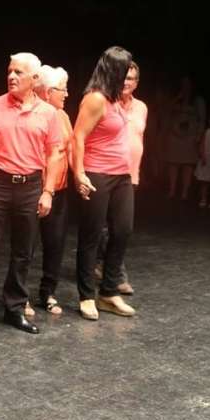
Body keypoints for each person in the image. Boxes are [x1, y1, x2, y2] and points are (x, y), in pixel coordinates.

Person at [0, 52, 63, 335]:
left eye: (19, 72)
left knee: (23, 252)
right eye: (10, 71)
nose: (11, 76)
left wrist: (48, 191)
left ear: (34, 78)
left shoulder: (48, 113)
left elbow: (54, 154)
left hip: (30, 186)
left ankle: (15, 308)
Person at [73, 46, 137, 320]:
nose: (127, 77)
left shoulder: (115, 100)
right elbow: (77, 137)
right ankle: (87, 296)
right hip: (97, 173)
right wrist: (79, 173)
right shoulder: (95, 99)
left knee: (122, 230)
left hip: (122, 175)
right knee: (91, 236)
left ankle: (109, 293)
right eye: (125, 70)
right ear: (114, 70)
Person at [94, 61, 147, 295]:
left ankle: (101, 264)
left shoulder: (142, 107)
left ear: (137, 83)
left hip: (129, 173)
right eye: (123, 77)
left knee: (119, 228)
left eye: (131, 78)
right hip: (105, 171)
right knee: (107, 227)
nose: (126, 82)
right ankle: (115, 275)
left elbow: (138, 139)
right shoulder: (105, 103)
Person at [27, 65, 73, 316]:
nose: (66, 94)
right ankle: (20, 296)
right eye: (62, 89)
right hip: (35, 189)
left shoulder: (63, 116)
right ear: (47, 92)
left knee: (55, 243)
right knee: (27, 246)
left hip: (59, 190)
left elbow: (71, 148)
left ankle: (48, 292)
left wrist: (81, 176)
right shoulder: (35, 115)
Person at [163, 76, 205, 200]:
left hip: (190, 136)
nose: (185, 86)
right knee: (173, 163)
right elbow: (166, 111)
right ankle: (172, 190)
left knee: (187, 165)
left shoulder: (198, 100)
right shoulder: (176, 98)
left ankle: (185, 192)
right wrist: (177, 98)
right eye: (183, 83)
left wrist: (199, 135)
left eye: (188, 83)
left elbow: (202, 119)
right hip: (174, 136)